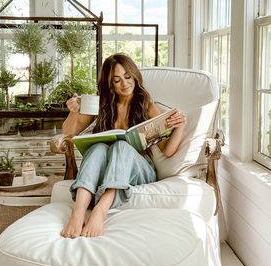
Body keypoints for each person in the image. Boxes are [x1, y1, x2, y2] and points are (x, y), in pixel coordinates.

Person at [60, 53, 186, 238]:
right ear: (110, 84)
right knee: (97, 148)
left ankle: (100, 210)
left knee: (122, 147)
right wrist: (73, 113)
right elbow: (69, 134)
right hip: (108, 171)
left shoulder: (147, 105)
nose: (124, 84)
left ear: (134, 75)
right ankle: (78, 212)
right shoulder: (101, 105)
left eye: (127, 77)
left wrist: (180, 127)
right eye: (117, 80)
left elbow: (168, 150)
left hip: (139, 171)